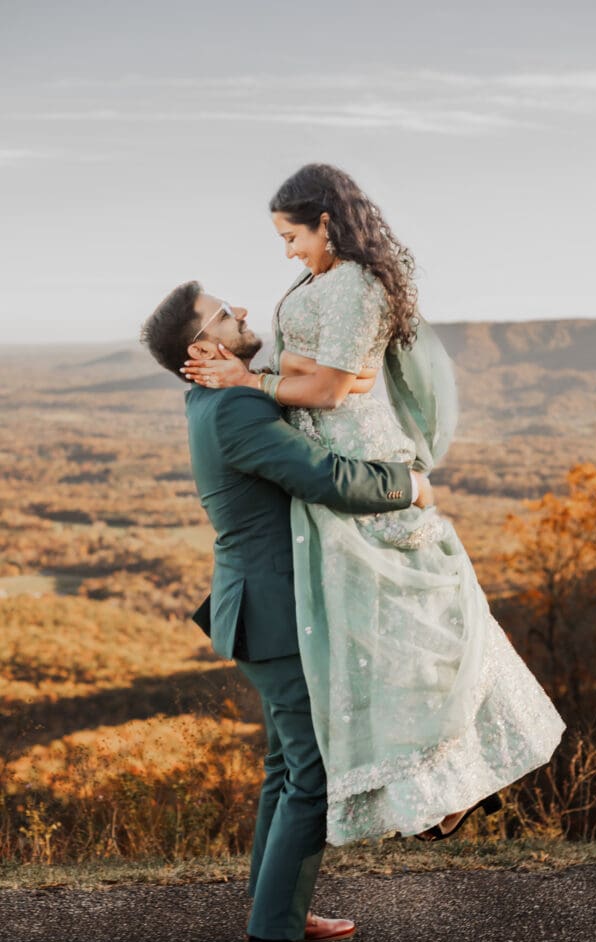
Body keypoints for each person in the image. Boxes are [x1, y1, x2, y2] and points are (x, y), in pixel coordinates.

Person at [182, 163, 567, 848]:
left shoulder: (355, 283)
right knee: (373, 637)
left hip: (355, 456)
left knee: (417, 625)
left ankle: (455, 780)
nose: (287, 251)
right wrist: (294, 375)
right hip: (325, 454)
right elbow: (325, 372)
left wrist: (253, 378)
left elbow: (329, 390)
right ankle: (435, 790)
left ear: (325, 222)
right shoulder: (321, 280)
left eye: (291, 235)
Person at [140, 281, 433, 942]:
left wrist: (343, 374)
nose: (240, 309)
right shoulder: (234, 405)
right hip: (274, 615)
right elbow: (322, 476)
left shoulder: (216, 397)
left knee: (285, 766)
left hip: (258, 609)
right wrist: (411, 487)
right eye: (221, 312)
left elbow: (324, 393)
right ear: (203, 349)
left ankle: (279, 910)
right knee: (313, 773)